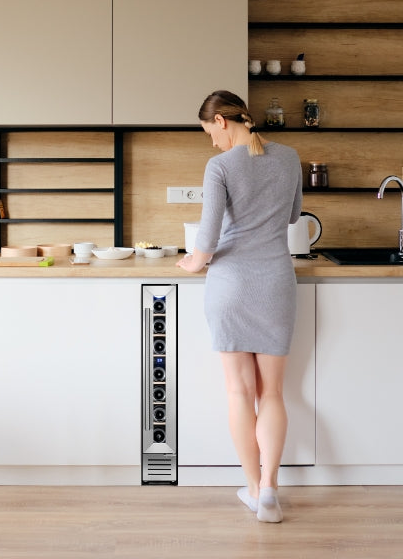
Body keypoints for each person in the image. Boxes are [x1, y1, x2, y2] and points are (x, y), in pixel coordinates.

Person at [177, 90, 302, 523]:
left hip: (230, 285)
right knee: (273, 394)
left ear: (223, 121)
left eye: (209, 132)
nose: (211, 142)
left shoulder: (220, 166)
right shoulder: (289, 157)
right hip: (275, 283)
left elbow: (207, 240)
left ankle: (252, 488)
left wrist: (193, 263)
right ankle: (270, 489)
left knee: (238, 392)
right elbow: (292, 216)